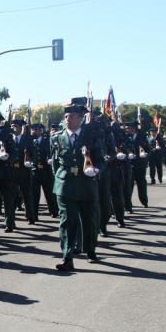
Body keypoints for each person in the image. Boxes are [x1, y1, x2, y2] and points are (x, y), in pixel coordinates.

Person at [51, 101, 104, 272]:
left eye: (72, 116)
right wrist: (60, 178)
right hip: (65, 185)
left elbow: (101, 160)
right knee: (67, 222)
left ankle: (91, 250)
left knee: (90, 221)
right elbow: (55, 163)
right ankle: (67, 257)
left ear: (81, 119)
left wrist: (95, 171)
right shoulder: (57, 137)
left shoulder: (91, 136)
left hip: (87, 184)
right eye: (66, 116)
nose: (68, 119)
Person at [10, 119, 37, 224]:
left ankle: (30, 216)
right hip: (11, 172)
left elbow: (34, 154)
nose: (14, 128)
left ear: (21, 127)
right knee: (11, 197)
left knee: (27, 195)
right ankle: (10, 220)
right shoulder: (8, 139)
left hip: (24, 171)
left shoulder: (27, 139)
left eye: (16, 126)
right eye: (12, 126)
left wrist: (30, 161)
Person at [29, 123, 57, 218]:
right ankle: (34, 215)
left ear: (40, 130)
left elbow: (51, 151)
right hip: (34, 170)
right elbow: (27, 153)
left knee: (49, 193)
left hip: (45, 170)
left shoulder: (47, 140)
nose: (34, 131)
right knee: (34, 194)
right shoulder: (30, 141)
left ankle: (53, 211)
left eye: (36, 129)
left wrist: (50, 159)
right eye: (33, 129)